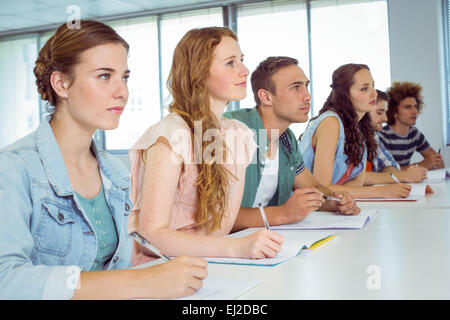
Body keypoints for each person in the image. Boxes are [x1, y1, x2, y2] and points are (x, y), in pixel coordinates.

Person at [0, 20, 208, 300]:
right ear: (61, 83)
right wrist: (141, 281)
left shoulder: (113, 172)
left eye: (124, 77)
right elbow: (6, 281)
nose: (121, 92)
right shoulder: (13, 168)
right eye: (103, 76)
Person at [128, 27, 284, 266]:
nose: (244, 70)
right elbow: (152, 234)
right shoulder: (170, 134)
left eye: (241, 60)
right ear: (199, 73)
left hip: (212, 263)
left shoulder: (240, 135)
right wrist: (237, 247)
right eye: (230, 63)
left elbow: (222, 227)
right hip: (159, 268)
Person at [223, 56, 360, 231]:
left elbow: (314, 188)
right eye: (296, 87)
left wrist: (335, 201)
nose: (307, 96)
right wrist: (283, 214)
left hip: (262, 244)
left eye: (306, 86)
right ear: (266, 97)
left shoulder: (286, 139)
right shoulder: (232, 131)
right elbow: (216, 216)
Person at [299, 63, 412, 199]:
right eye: (364, 89)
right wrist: (382, 191)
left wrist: (341, 194)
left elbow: (357, 182)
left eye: (372, 86)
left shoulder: (359, 128)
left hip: (329, 208)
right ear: (345, 95)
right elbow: (321, 189)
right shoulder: (331, 122)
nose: (374, 93)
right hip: (306, 210)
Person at [364, 89, 428, 185]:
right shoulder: (382, 134)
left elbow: (391, 165)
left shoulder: (373, 136)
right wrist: (404, 175)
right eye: (379, 112)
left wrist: (392, 175)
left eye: (415, 107)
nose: (385, 118)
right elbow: (356, 179)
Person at [378, 81, 445, 170]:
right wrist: (421, 165)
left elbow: (440, 164)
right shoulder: (382, 136)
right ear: (394, 112)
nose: (415, 111)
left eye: (415, 106)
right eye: (408, 107)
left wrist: (434, 161)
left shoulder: (415, 134)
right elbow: (385, 172)